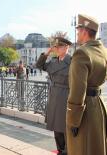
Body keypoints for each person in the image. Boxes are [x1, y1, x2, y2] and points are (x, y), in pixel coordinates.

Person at [66, 14, 107, 155]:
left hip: (84, 112)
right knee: (97, 147)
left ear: (84, 31)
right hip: (99, 107)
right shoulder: (103, 51)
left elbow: (78, 91)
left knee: (81, 149)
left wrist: (73, 121)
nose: (77, 33)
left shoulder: (82, 53)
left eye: (78, 30)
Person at [36, 37, 72, 155]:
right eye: (56, 47)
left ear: (67, 47)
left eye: (59, 47)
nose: (57, 49)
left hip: (66, 95)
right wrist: (47, 53)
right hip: (54, 95)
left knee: (65, 127)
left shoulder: (72, 61)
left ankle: (67, 151)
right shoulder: (53, 61)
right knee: (56, 127)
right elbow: (39, 65)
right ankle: (60, 150)